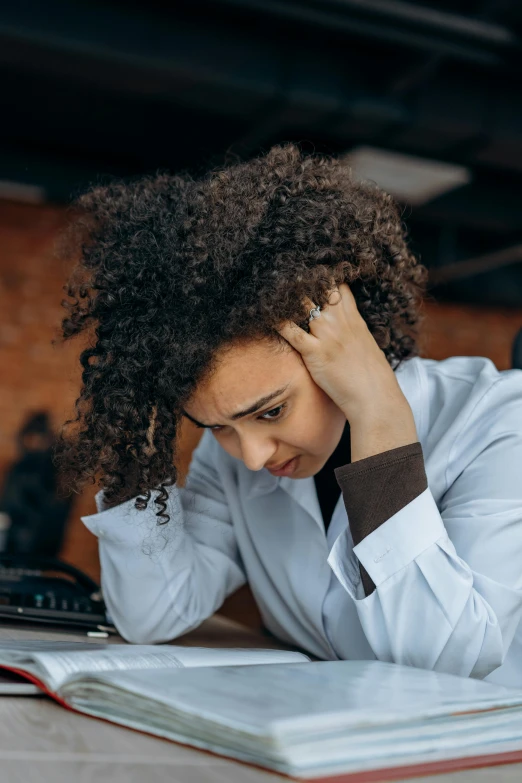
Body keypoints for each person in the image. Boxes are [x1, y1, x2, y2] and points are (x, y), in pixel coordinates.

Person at [58, 144, 522, 687]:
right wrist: (133, 438)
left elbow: (444, 668)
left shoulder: (497, 421)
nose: (251, 456)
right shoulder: (233, 454)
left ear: (344, 337)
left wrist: (379, 411)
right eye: (216, 426)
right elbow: (153, 612)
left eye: (272, 410)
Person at [0, 412, 72, 557]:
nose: (34, 443)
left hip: (35, 544)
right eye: (31, 438)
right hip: (13, 540)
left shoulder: (51, 471)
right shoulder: (19, 468)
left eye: (38, 438)